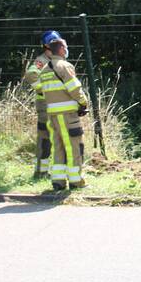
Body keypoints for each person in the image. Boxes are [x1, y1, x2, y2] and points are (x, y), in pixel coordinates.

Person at [37, 30, 89, 191]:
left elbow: (43, 91)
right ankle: (76, 181)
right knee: (74, 147)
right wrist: (83, 103)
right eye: (65, 47)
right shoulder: (65, 66)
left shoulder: (44, 69)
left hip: (52, 115)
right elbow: (75, 89)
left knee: (57, 147)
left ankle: (58, 181)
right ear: (60, 49)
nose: (66, 50)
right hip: (68, 116)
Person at [23, 41, 54, 177]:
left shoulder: (52, 60)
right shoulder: (42, 61)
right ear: (48, 47)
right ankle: (41, 171)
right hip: (45, 105)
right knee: (45, 138)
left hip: (52, 105)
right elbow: (30, 74)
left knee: (51, 138)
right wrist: (43, 90)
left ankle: (43, 171)